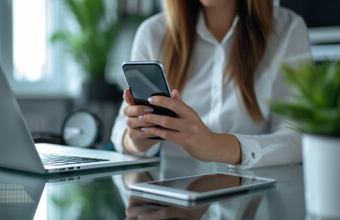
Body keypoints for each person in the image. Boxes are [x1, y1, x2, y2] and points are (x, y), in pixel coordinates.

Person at [111, 0, 311, 168]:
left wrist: (217, 146)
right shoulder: (153, 33)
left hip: (257, 202)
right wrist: (136, 140)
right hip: (177, 199)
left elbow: (298, 138)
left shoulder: (287, 29)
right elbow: (121, 131)